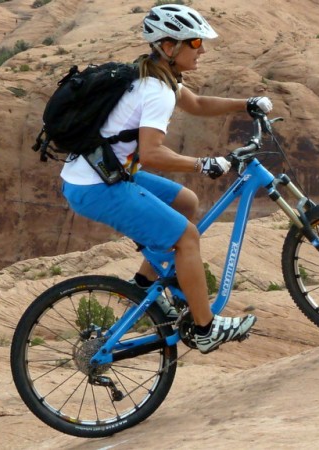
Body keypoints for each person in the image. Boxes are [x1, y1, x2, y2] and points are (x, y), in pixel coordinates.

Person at [60, 4, 272, 354]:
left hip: (96, 174)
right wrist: (203, 164)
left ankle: (144, 284)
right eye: (195, 43)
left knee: (186, 202)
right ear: (170, 46)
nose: (202, 49)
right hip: (96, 187)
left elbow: (199, 104)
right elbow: (153, 153)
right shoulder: (155, 90)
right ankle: (205, 329)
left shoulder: (157, 76)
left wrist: (245, 104)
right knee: (187, 237)